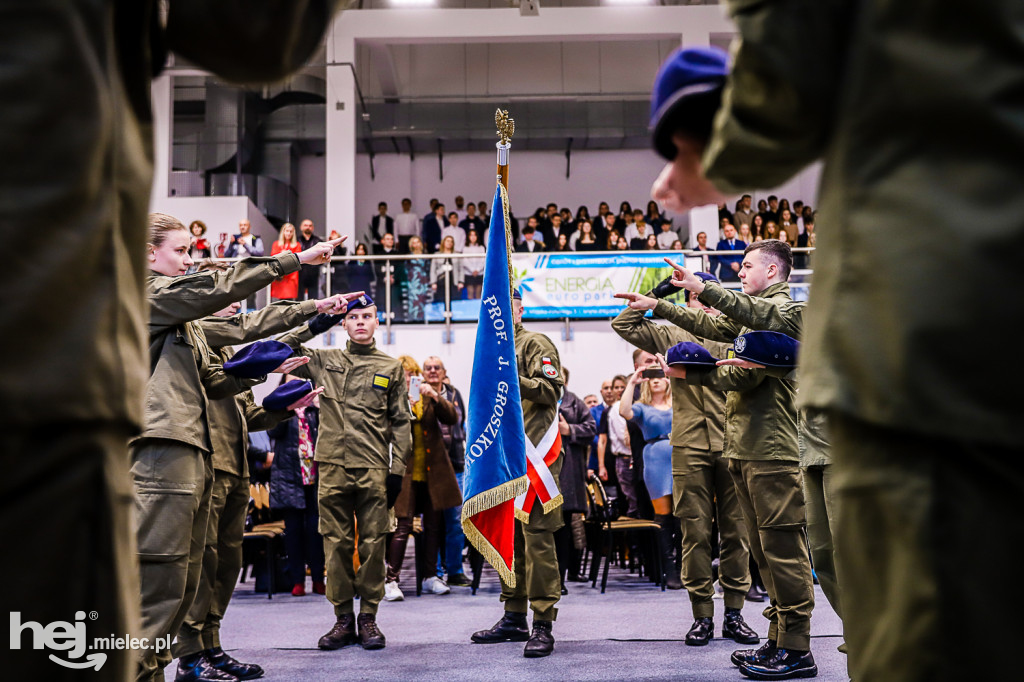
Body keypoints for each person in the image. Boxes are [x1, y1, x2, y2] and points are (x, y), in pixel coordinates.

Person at [136, 214, 342, 681]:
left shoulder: (175, 317)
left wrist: (265, 372)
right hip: (159, 449)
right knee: (158, 582)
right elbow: (222, 299)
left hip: (193, 452)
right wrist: (293, 259)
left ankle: (181, 659)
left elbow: (215, 375)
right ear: (147, 252)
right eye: (181, 251)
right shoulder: (143, 293)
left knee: (185, 579)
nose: (189, 262)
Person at [177, 292, 342, 681]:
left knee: (227, 564)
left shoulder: (231, 354)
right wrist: (312, 322)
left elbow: (248, 415)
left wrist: (287, 407)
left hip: (235, 469)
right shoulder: (194, 345)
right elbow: (258, 338)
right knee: (202, 563)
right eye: (229, 300)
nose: (237, 305)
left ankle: (212, 646)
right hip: (206, 465)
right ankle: (188, 657)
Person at [612, 271, 757, 646]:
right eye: (696, 296)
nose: (704, 303)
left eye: (709, 295)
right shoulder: (671, 333)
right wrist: (662, 291)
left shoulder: (737, 332)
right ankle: (702, 616)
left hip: (733, 442)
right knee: (694, 532)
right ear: (688, 300)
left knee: (736, 532)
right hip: (689, 444)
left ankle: (736, 614)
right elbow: (623, 322)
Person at [277, 295, 411, 651]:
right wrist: (318, 321)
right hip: (333, 467)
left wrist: (397, 470)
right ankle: (342, 619)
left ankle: (368, 617)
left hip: (373, 470)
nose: (361, 322)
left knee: (372, 544)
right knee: (334, 545)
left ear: (377, 322)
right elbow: (280, 347)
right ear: (344, 323)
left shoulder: (391, 368)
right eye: (354, 317)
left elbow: (401, 424)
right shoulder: (324, 360)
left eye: (368, 316)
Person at [472, 290, 565, 658]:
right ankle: (513, 615)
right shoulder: (488, 349)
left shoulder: (534, 343)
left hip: (534, 455)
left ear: (519, 309)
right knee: (509, 539)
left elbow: (551, 390)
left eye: (506, 305)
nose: (498, 313)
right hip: (503, 457)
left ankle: (543, 621)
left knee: (538, 539)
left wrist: (512, 377)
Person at [385, 356, 462, 600]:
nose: (408, 379)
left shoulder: (427, 397)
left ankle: (430, 577)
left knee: (433, 526)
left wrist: (435, 397)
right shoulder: (392, 398)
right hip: (404, 475)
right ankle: (391, 580)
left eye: (411, 374)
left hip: (432, 473)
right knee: (401, 526)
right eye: (404, 374)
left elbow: (452, 418)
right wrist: (402, 404)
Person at [617, 366, 682, 590]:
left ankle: (684, 568)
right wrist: (632, 382)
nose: (656, 381)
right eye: (651, 378)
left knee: (683, 517)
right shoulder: (642, 408)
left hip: (681, 457)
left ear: (667, 380)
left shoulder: (679, 402)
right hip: (655, 460)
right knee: (663, 518)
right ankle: (670, 571)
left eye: (660, 377)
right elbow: (624, 412)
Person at [268, 376, 326, 598]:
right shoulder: (281, 410)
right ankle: (297, 581)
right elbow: (273, 433)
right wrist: (287, 409)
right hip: (288, 476)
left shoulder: (316, 411)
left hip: (314, 476)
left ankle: (319, 578)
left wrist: (317, 406)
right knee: (293, 531)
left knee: (315, 530)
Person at [553, 366, 597, 591]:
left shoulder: (574, 401)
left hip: (568, 472)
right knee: (546, 530)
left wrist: (568, 429)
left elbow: (591, 428)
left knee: (565, 528)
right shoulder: (535, 399)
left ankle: (560, 580)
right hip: (542, 472)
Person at [270, 223, 302, 300]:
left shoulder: (297, 245)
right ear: (283, 232)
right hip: (279, 277)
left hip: (290, 277)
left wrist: (284, 255)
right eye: (287, 231)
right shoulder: (276, 244)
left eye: (291, 231)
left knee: (289, 302)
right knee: (277, 303)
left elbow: (296, 260)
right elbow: (273, 258)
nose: (288, 233)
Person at [404, 236, 433, 319]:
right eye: (414, 242)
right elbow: (406, 270)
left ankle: (423, 321)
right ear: (411, 245)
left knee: (423, 303)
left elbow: (428, 270)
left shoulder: (425, 257)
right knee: (413, 302)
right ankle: (412, 321)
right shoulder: (408, 257)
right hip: (412, 284)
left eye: (418, 242)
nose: (416, 244)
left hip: (423, 283)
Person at [431, 235, 464, 304]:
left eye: (451, 241)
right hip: (440, 282)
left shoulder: (457, 254)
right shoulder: (436, 254)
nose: (450, 243)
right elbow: (433, 270)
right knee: (440, 301)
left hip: (454, 282)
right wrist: (433, 282)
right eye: (448, 241)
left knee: (455, 302)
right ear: (443, 242)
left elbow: (461, 269)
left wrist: (461, 281)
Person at [463, 229, 486, 299]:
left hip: (480, 273)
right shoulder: (465, 248)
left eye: (474, 235)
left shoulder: (481, 248)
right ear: (468, 237)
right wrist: (472, 270)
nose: (473, 237)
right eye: (471, 235)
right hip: (469, 273)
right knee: (470, 292)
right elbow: (465, 260)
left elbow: (483, 260)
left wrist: (478, 270)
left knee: (479, 293)